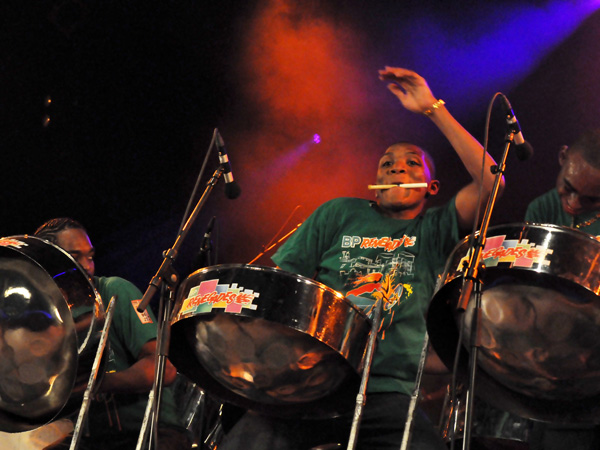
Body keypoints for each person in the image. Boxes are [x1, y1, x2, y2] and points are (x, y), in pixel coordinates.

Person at [218, 66, 503, 450]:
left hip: (387, 390)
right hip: (312, 379)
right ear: (377, 181)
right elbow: (281, 289)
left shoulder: (436, 229)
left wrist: (432, 109)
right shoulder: (338, 212)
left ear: (431, 187)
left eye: (412, 163)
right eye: (387, 163)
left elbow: (492, 181)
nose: (397, 166)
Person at [31, 218, 193, 450]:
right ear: (47, 261)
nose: (87, 266)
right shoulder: (42, 316)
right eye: (75, 257)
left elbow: (162, 370)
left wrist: (95, 384)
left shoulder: (113, 290)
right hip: (90, 438)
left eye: (90, 257)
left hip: (150, 433)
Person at [524, 130, 600, 449]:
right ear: (562, 156)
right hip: (559, 364)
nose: (574, 203)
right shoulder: (541, 209)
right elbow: (530, 291)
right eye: (568, 188)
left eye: (592, 199)